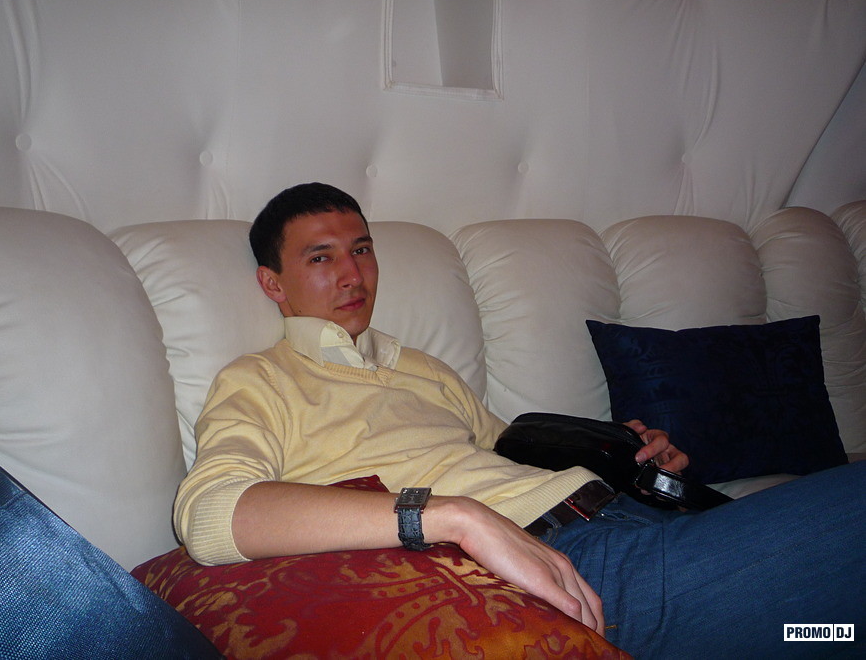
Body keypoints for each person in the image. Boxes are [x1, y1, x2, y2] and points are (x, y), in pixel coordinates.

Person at [174, 182, 865, 658]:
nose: (353, 273)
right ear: (272, 282)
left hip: (636, 517)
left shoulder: (422, 367)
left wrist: (624, 450)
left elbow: (511, 451)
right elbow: (209, 514)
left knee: (829, 631)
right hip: (573, 568)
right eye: (320, 257)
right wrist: (451, 516)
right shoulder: (260, 380)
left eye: (361, 248)